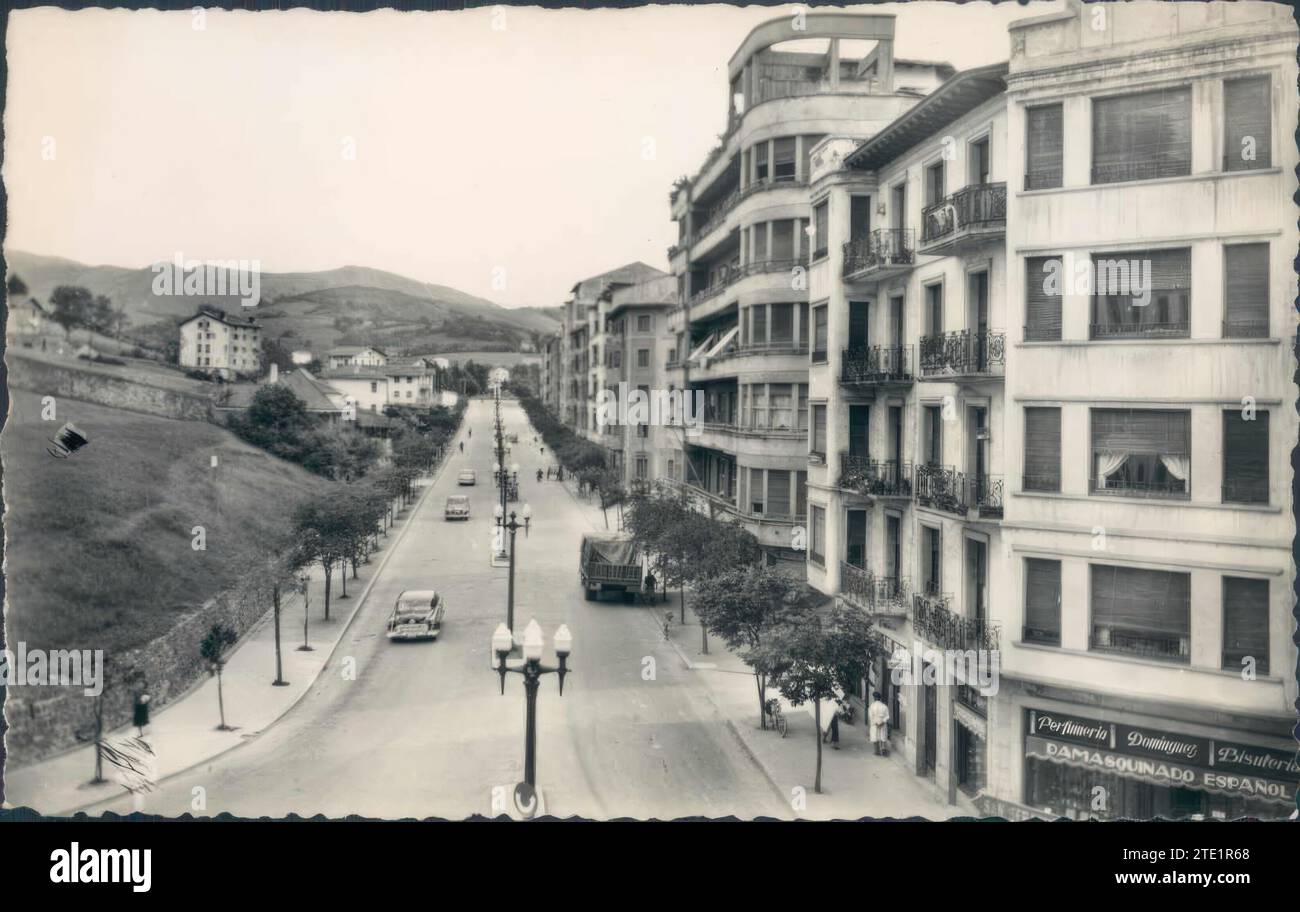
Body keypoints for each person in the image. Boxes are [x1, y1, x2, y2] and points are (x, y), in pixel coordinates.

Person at [868, 692, 891, 756]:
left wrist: (876, 723)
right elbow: (887, 716)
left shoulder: (872, 706)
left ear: (874, 698)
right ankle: (883, 749)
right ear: (880, 698)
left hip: (875, 723)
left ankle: (877, 751)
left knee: (875, 737)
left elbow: (871, 716)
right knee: (882, 736)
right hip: (882, 723)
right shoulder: (884, 706)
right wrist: (882, 722)